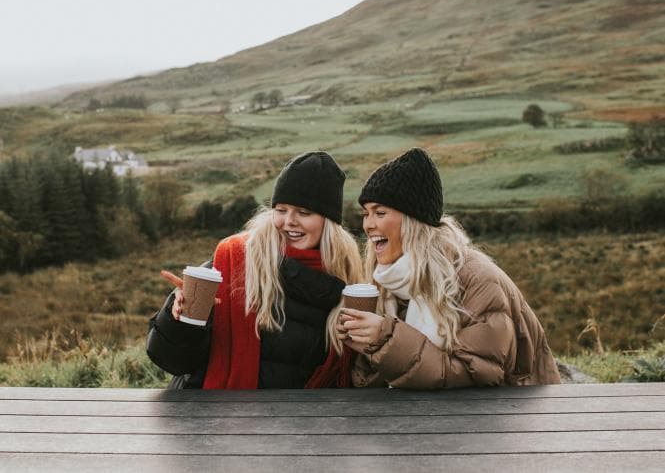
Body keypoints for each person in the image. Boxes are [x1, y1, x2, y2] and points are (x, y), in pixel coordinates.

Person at [337, 147, 561, 388]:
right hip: (438, 415)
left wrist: (387, 339)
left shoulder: (476, 280)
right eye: (365, 214)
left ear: (414, 222)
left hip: (513, 414)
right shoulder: (388, 282)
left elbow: (476, 374)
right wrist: (368, 346)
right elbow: (390, 377)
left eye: (380, 213)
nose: (368, 224)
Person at [147, 151, 363, 389]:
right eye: (281, 210)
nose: (289, 221)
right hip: (210, 416)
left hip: (295, 420)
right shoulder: (234, 259)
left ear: (329, 222)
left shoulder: (348, 280)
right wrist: (178, 319)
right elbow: (171, 360)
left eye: (304, 212)